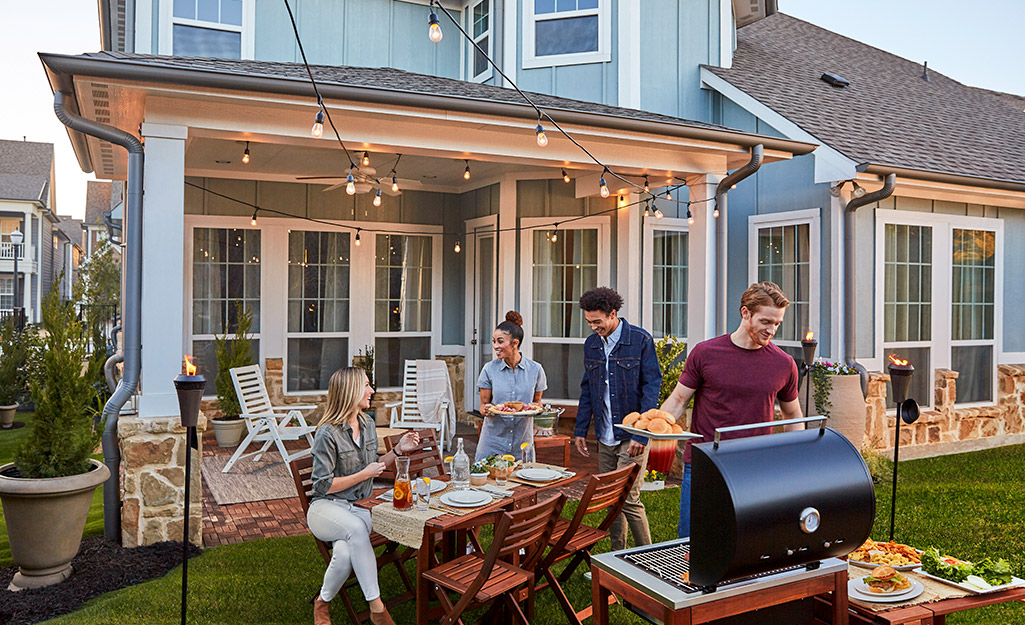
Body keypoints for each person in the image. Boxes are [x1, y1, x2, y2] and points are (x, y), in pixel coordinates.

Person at [660, 281, 801, 539]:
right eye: (766, 321)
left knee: (747, 540)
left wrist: (796, 458)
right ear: (745, 312)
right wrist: (654, 429)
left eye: (777, 323)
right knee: (693, 542)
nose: (772, 330)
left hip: (754, 466)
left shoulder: (783, 364)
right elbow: (679, 399)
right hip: (705, 463)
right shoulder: (705, 353)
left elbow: (792, 414)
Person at [307, 367, 420, 625]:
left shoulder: (367, 423)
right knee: (357, 530)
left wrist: (399, 450)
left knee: (346, 553)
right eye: (367, 385)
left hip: (358, 507)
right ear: (350, 391)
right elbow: (323, 486)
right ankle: (377, 608)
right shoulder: (327, 432)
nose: (371, 391)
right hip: (326, 508)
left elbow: (376, 465)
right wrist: (362, 475)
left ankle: (322, 603)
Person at [574, 287, 661, 551]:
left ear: (613, 314)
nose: (593, 327)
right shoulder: (592, 344)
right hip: (605, 434)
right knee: (612, 499)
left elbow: (651, 388)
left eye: (597, 321)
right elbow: (588, 388)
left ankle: (649, 558)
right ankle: (618, 558)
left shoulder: (640, 340)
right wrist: (580, 429)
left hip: (632, 433)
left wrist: (641, 434)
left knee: (629, 498)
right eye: (589, 322)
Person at [476, 310, 548, 461]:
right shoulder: (489, 369)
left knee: (523, 481)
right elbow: (483, 406)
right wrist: (489, 410)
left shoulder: (536, 370)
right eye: (494, 341)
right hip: (493, 440)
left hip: (522, 441)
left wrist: (538, 408)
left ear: (515, 343)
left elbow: (537, 404)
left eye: (500, 341)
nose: (495, 346)